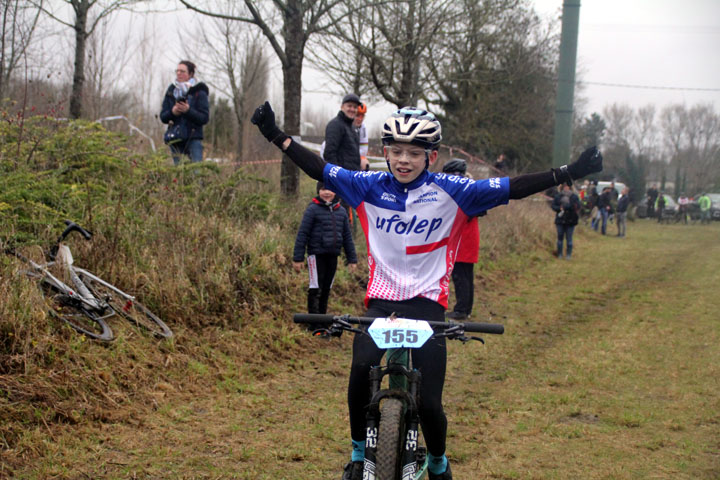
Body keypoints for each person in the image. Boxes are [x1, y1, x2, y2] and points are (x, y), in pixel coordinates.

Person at [251, 101, 603, 480]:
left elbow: (513, 188)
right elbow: (319, 168)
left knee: (430, 404)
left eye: (414, 153)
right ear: (385, 153)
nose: (404, 160)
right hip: (381, 300)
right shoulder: (367, 186)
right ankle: (358, 455)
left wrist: (569, 172)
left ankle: (437, 462)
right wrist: (275, 134)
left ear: (431, 156)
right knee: (358, 377)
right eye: (397, 152)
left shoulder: (455, 191)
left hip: (427, 304)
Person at [293, 182, 358, 319]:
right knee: (315, 288)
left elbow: (347, 237)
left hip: (333, 255)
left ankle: (323, 319)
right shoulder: (312, 210)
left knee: (327, 288)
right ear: (318, 191)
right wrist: (298, 258)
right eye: (323, 189)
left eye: (330, 189)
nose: (327, 192)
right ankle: (314, 322)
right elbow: (303, 234)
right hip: (315, 256)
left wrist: (352, 259)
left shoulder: (341, 211)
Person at [442, 159, 482, 320]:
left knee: (461, 276)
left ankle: (461, 310)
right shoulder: (471, 188)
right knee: (466, 275)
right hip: (467, 237)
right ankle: (465, 308)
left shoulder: (463, 190)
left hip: (463, 238)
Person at [160, 60, 210, 165]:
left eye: (182, 71)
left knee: (196, 174)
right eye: (177, 71)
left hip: (194, 139)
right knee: (179, 175)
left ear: (191, 74)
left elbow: (204, 118)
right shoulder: (171, 91)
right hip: (175, 139)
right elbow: (163, 117)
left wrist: (188, 111)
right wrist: (173, 112)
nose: (179, 73)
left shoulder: (199, 91)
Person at [323, 93, 362, 171]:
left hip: (351, 178)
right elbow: (329, 154)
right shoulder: (335, 125)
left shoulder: (353, 128)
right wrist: (338, 176)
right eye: (349, 106)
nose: (352, 109)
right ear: (342, 107)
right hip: (341, 178)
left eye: (355, 107)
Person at [550, 183, 580, 259]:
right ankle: (559, 254)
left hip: (571, 220)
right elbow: (553, 206)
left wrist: (565, 207)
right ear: (562, 188)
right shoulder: (558, 196)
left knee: (569, 238)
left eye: (567, 187)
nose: (566, 188)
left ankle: (568, 255)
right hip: (560, 220)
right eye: (565, 187)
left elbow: (577, 206)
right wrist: (559, 208)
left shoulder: (574, 197)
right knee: (560, 238)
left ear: (570, 188)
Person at [354, 102, 370, 171]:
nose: (360, 119)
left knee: (364, 162)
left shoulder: (363, 128)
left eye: (362, 116)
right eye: (357, 115)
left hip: (354, 157)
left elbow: (364, 150)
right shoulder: (345, 125)